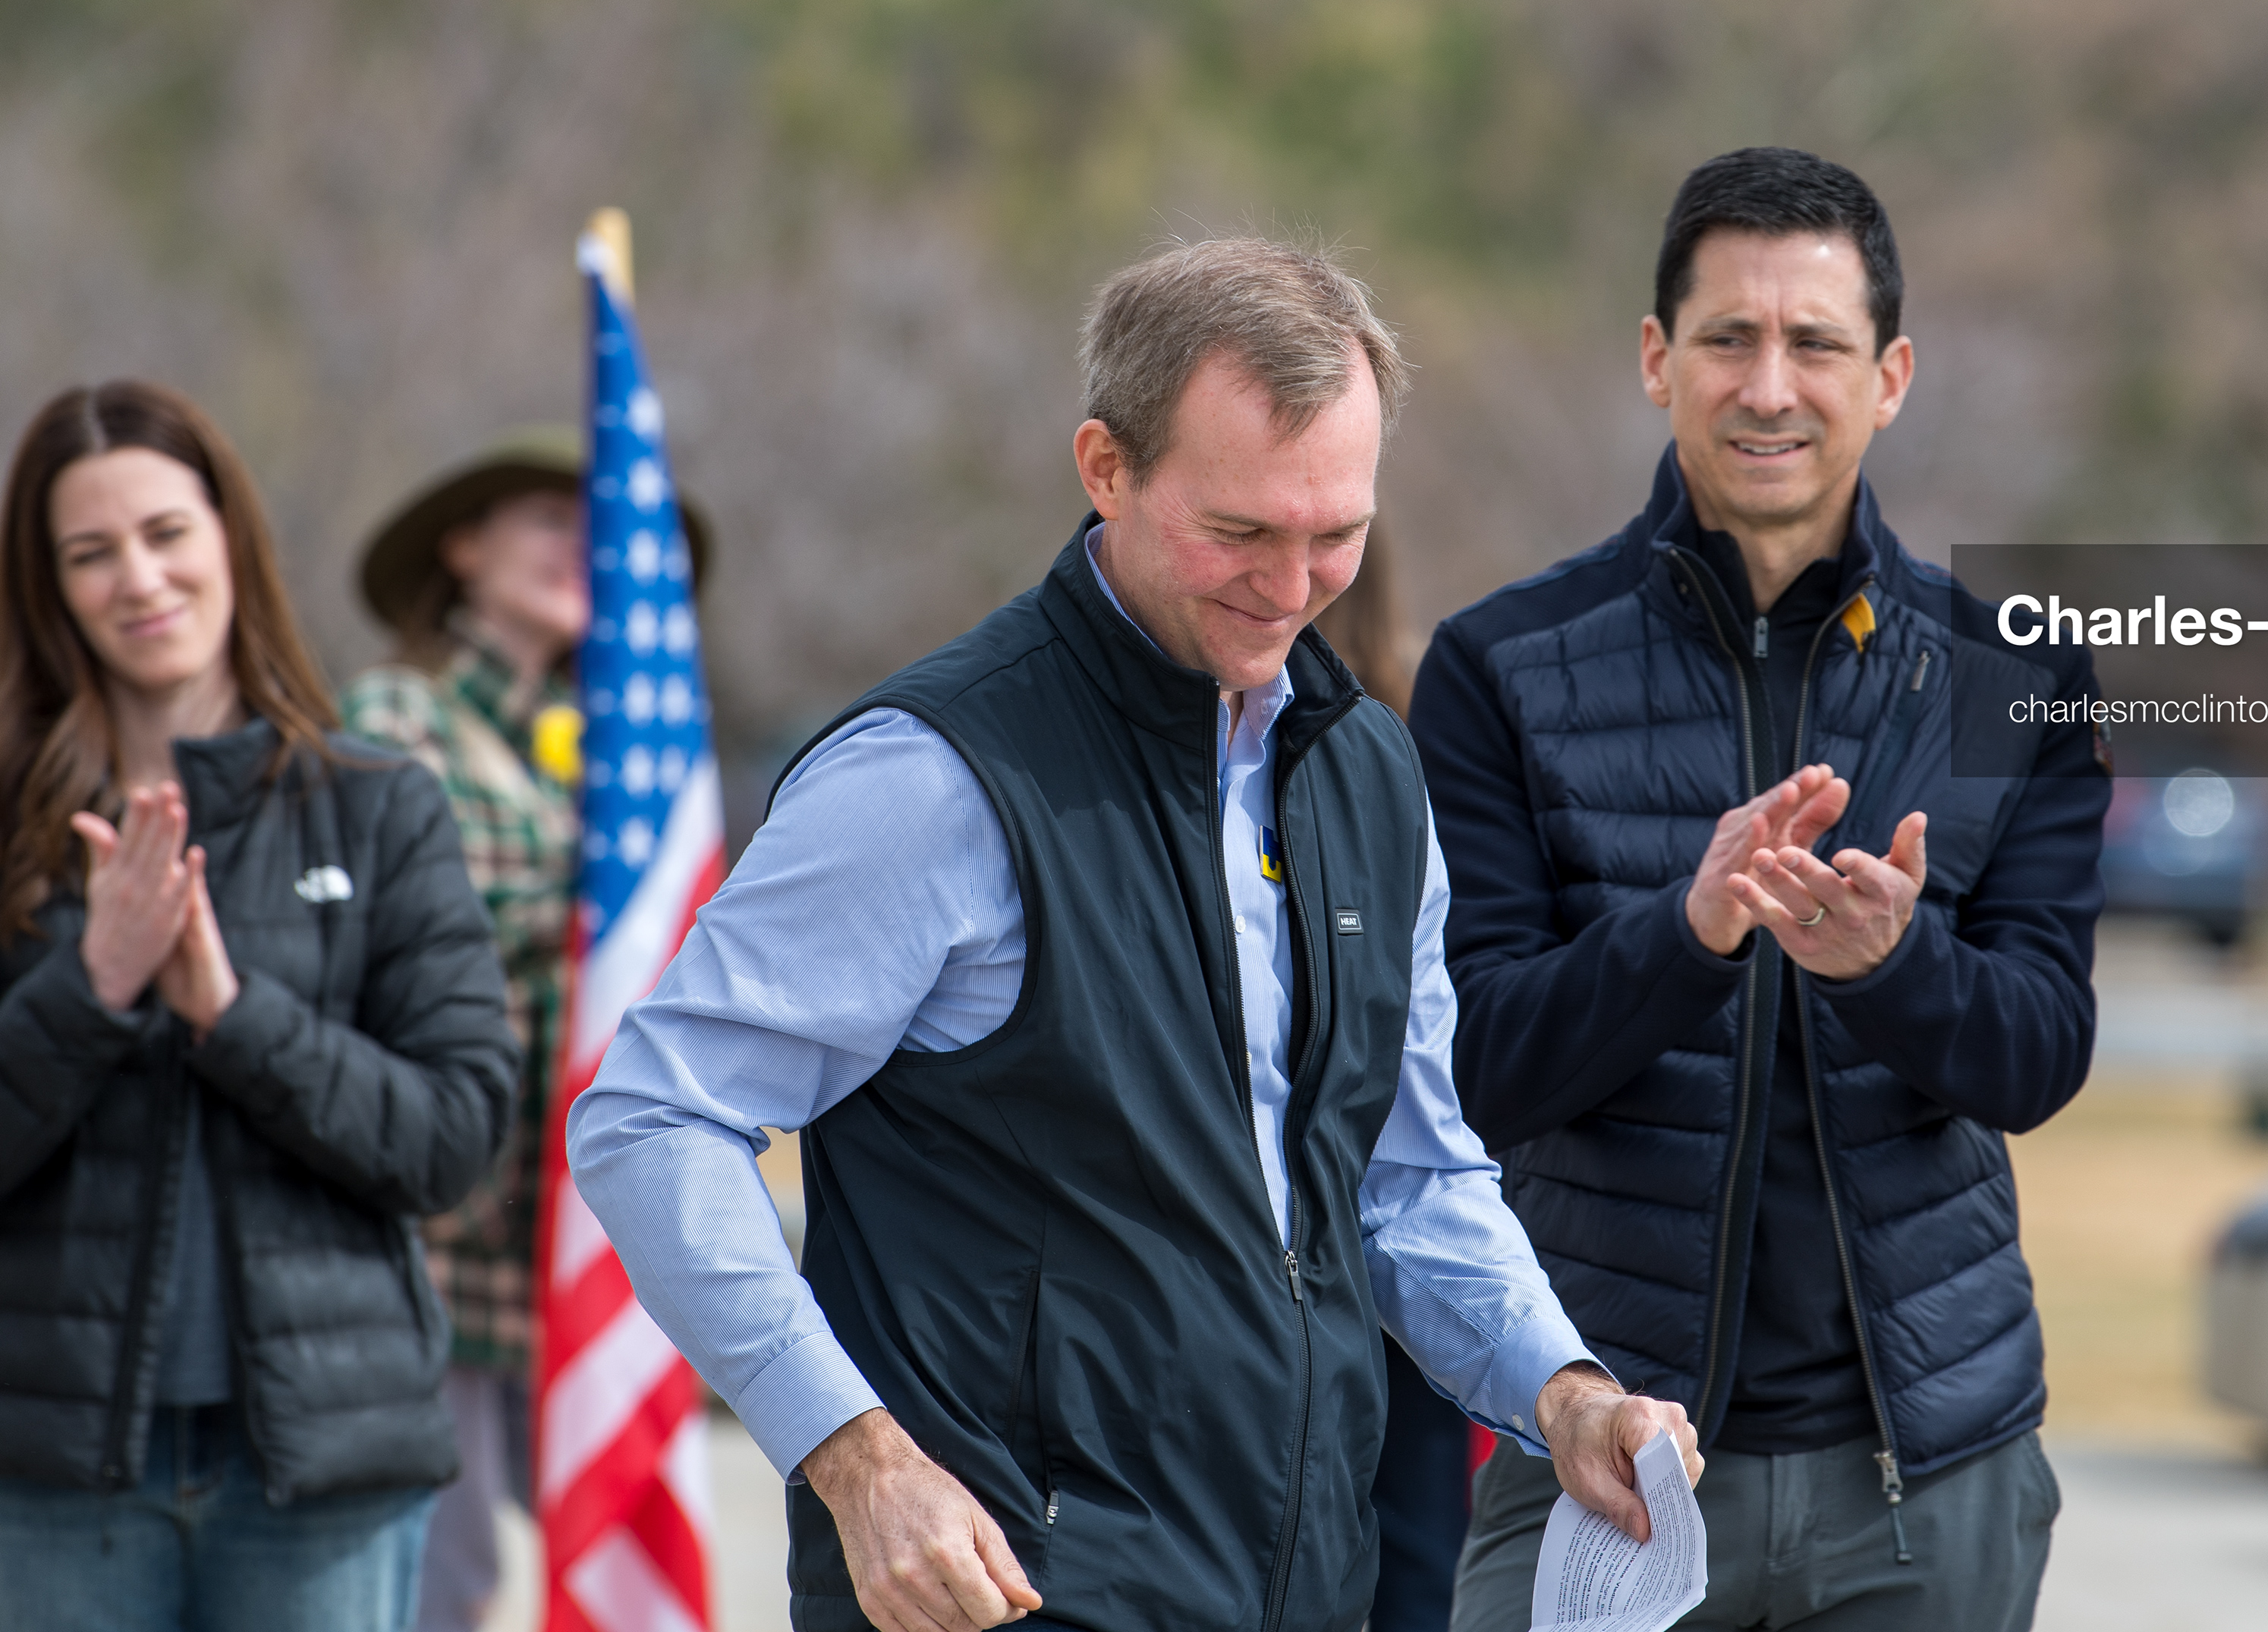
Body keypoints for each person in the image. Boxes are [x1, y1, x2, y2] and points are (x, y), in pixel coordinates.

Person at [566, 238, 1699, 1632]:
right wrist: (855, 1463)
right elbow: (654, 1119)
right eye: (1239, 533)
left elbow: (1408, 1178)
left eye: (1334, 533)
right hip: (997, 1601)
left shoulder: (1373, 778)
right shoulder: (929, 778)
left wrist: (1561, 1391)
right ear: (1105, 466)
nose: (1292, 587)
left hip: (1302, 1596)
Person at [1414, 147, 2107, 1632]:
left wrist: (1893, 966)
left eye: (1817, 342)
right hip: (1612, 1449)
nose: (1770, 385)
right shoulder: (1497, 668)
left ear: (1894, 373)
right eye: (1728, 337)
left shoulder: (2020, 676)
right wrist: (1688, 932)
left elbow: (2042, 1050)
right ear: (1658, 360)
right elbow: (1472, 1060)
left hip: (1928, 1478)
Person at [0, 381, 518, 1632]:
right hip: (52, 1483)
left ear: (229, 537)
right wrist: (95, 988)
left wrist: (232, 1015)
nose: (139, 578)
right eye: (91, 551)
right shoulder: (14, 827)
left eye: (167, 532)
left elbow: (455, 1141)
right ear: (50, 586)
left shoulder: (379, 805)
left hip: (322, 1485)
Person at [340, 427, 707, 1632]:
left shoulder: (615, 762)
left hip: (574, 1239)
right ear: (463, 548)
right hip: (431, 1240)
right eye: (553, 520)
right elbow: (404, 924)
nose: (583, 550)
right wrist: (603, 907)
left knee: (608, 1556)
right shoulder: (398, 717)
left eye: (600, 530)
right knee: (429, 1585)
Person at [1311, 518, 1477, 1632]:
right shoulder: (1426, 718)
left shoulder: (1388, 743)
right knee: (1419, 1547)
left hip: (1340, 1190)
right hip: (1391, 1178)